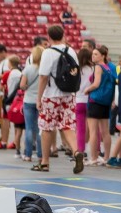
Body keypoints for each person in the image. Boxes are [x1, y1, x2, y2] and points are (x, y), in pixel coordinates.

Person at [34, 25, 84, 174]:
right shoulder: (71, 51)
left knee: (46, 128)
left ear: (48, 37)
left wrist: (39, 98)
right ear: (63, 35)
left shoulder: (48, 52)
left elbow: (43, 76)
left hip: (51, 95)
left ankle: (45, 162)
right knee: (67, 125)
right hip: (68, 94)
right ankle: (76, 152)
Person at [84, 45, 114, 166]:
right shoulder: (108, 68)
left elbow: (96, 84)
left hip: (95, 100)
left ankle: (94, 157)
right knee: (105, 131)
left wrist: (87, 89)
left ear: (102, 56)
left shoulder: (98, 67)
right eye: (93, 54)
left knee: (93, 131)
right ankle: (106, 157)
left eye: (96, 54)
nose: (93, 56)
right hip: (105, 102)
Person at [20, 46, 44, 163]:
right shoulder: (44, 69)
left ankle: (28, 154)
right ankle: (40, 155)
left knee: (29, 128)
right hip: (41, 100)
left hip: (28, 100)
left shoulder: (28, 69)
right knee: (40, 128)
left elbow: (22, 85)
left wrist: (27, 87)